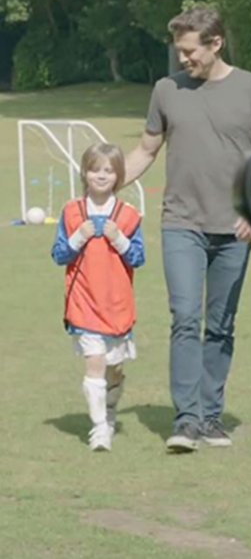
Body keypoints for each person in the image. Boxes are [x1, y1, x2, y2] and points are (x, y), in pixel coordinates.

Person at [123, 6, 251, 453]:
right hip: (181, 223)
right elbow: (145, 151)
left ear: (216, 43)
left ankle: (211, 416)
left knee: (222, 324)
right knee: (186, 317)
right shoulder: (166, 89)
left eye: (190, 51)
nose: (183, 60)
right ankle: (187, 420)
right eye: (179, 52)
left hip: (235, 227)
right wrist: (105, 185)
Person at [51, 143, 145, 451]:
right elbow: (59, 254)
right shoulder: (71, 211)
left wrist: (119, 238)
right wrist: (79, 236)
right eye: (95, 169)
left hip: (117, 305)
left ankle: (111, 406)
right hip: (83, 303)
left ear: (118, 175)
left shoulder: (129, 216)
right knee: (95, 361)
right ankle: (99, 428)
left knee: (113, 367)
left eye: (108, 170)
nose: (101, 176)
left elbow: (138, 258)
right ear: (84, 172)